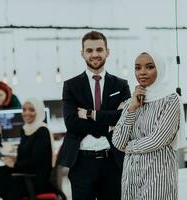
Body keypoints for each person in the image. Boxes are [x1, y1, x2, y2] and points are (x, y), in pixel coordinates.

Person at [56, 31, 131, 200]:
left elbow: (125, 118)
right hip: (81, 163)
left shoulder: (121, 85)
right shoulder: (71, 86)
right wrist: (108, 123)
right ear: (82, 53)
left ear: (107, 52)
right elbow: (72, 123)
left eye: (99, 49)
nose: (95, 54)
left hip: (113, 161)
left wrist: (91, 115)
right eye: (89, 50)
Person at [113, 51, 184, 200]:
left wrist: (128, 147)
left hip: (157, 177)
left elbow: (157, 140)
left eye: (149, 67)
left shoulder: (171, 100)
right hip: (130, 179)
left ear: (160, 68)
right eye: (137, 68)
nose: (142, 72)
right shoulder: (130, 103)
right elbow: (118, 141)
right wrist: (132, 109)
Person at [0, 98, 56, 200]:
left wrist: (15, 164)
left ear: (39, 111)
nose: (27, 113)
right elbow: (26, 155)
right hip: (24, 173)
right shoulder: (25, 129)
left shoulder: (42, 131)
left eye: (31, 110)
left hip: (35, 180)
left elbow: (35, 161)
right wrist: (14, 160)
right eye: (24, 109)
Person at [0, 81, 21, 146]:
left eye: (0, 95)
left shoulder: (14, 101)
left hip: (16, 136)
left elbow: (18, 120)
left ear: (6, 94)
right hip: (1, 137)